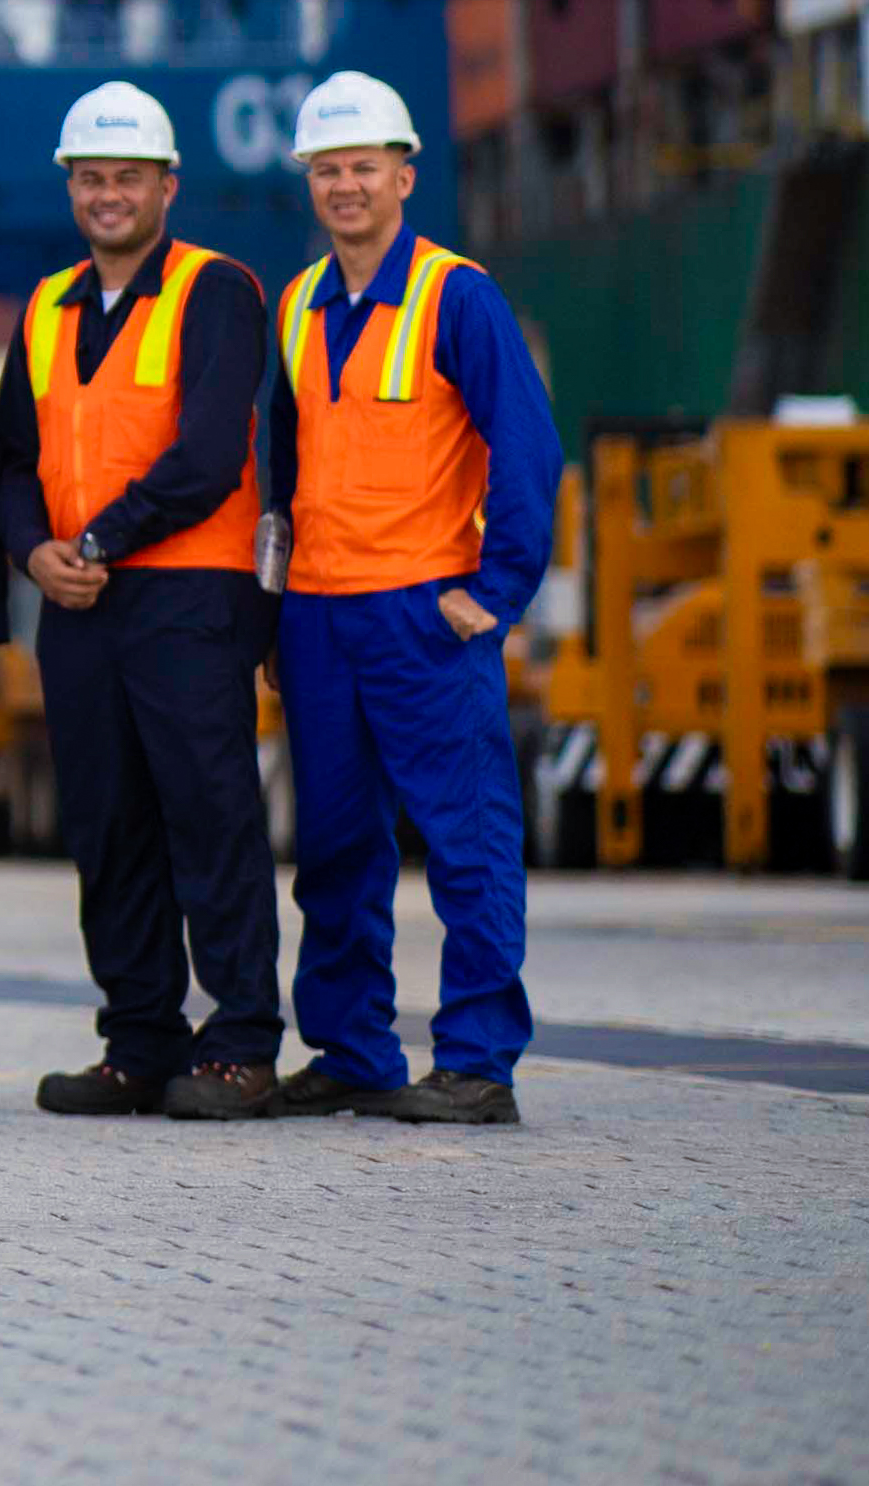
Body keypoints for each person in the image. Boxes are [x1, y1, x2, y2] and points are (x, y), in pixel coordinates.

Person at [268, 71, 562, 1127]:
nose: (345, 186)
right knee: (334, 850)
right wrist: (275, 607)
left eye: (362, 167)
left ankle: (478, 1061)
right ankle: (352, 1050)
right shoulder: (299, 302)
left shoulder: (457, 296)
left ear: (404, 174)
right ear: (308, 179)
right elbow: (280, 467)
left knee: (466, 837)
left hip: (424, 616)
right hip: (317, 614)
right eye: (326, 169)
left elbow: (526, 446)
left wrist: (500, 588)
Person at [0, 77, 284, 1120]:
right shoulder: (44, 304)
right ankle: (139, 1041)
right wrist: (34, 553)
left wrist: (96, 538)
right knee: (108, 825)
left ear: (167, 184)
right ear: (69, 186)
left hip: (188, 600)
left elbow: (209, 453)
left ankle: (243, 1041)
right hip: (78, 607)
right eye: (89, 178)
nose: (107, 195)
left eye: (126, 177)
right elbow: (10, 459)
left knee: (209, 817)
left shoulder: (218, 290)